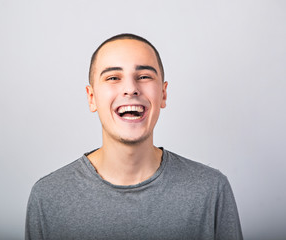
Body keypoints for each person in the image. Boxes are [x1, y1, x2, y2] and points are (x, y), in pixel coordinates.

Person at [25, 33, 243, 240]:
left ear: (163, 94)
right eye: (113, 77)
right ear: (91, 98)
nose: (130, 88)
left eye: (144, 76)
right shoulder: (48, 197)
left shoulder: (211, 189)